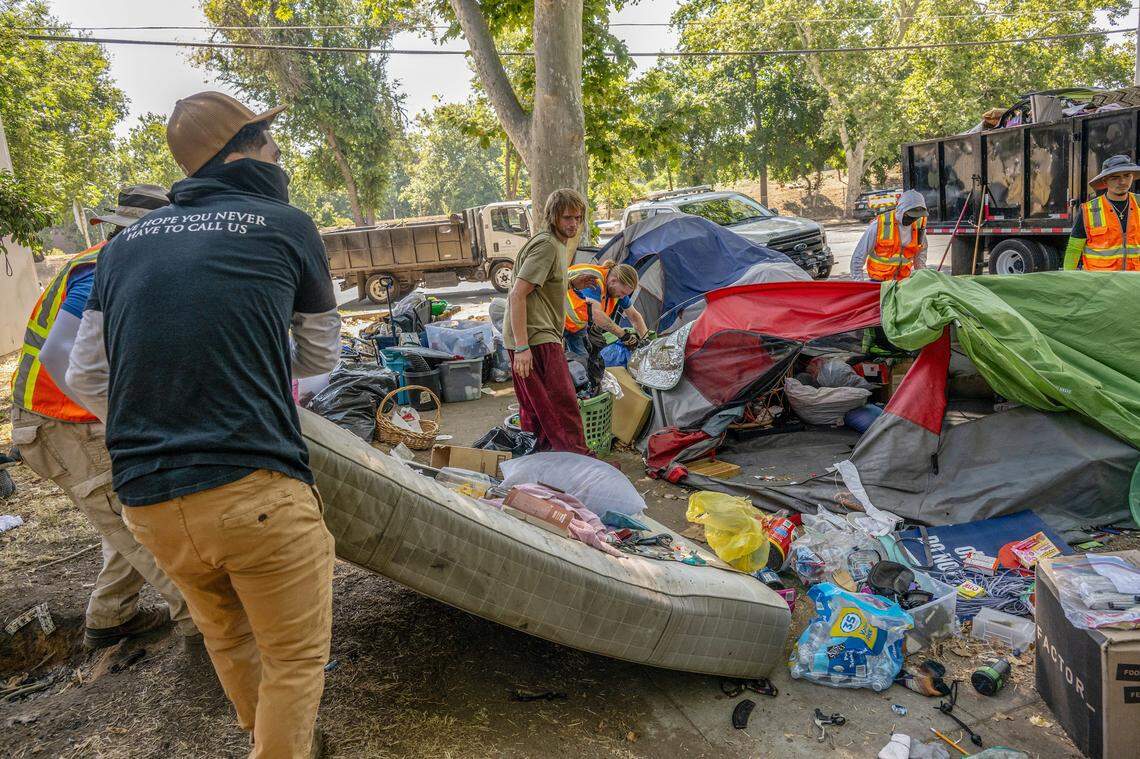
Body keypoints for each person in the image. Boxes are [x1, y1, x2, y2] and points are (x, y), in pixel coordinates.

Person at [66, 91, 341, 758]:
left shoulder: (120, 248)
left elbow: (81, 375)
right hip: (254, 489)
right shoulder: (286, 223)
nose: (280, 152)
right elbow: (319, 356)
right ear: (243, 146)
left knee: (230, 637)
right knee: (295, 660)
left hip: (149, 501)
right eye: (270, 139)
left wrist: (156, 416)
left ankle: (277, 738)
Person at [9, 185, 198, 651]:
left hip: (69, 415)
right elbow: (59, 353)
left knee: (124, 514)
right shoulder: (101, 269)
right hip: (62, 421)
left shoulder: (115, 262)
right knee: (142, 521)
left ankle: (111, 617)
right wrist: (117, 419)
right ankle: (205, 625)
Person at [503, 189, 590, 454]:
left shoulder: (555, 243)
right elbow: (518, 294)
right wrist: (522, 348)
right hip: (535, 337)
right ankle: (579, 462)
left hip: (536, 335)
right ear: (553, 217)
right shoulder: (547, 246)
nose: (573, 223)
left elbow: (540, 285)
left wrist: (570, 283)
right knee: (560, 407)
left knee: (536, 411)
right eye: (567, 217)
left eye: (577, 217)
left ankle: (544, 466)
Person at [1064, 154, 1140, 271]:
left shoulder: (1138, 203)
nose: (1122, 181)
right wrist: (1067, 280)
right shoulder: (1089, 210)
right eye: (1115, 177)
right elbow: (1074, 249)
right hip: (1100, 284)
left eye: (1127, 175)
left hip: (1133, 284)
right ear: (1105, 181)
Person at [563, 261, 648, 357]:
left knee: (584, 363)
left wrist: (647, 342)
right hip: (556, 320)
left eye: (626, 294)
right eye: (623, 292)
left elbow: (634, 315)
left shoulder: (617, 290)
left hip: (577, 326)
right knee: (549, 361)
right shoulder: (594, 280)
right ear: (613, 281)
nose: (622, 297)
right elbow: (596, 314)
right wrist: (623, 335)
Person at [850, 189, 928, 281]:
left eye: (916, 216)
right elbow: (859, 256)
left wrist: (922, 279)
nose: (913, 219)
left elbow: (920, 254)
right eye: (910, 215)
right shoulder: (879, 225)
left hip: (903, 282)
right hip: (879, 283)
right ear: (901, 210)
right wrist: (859, 284)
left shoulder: (919, 227)